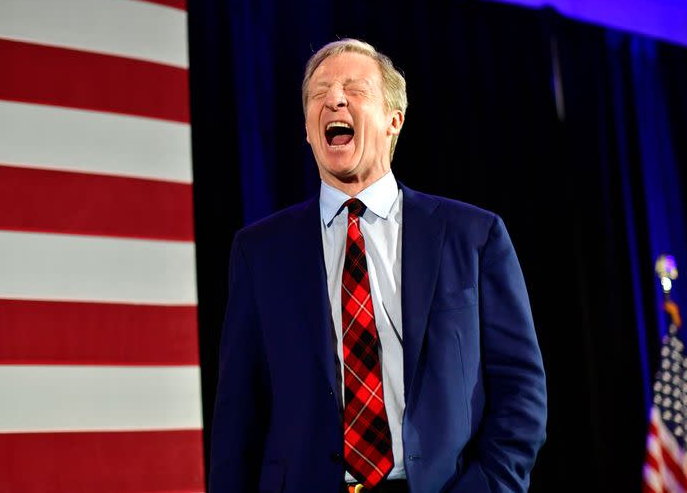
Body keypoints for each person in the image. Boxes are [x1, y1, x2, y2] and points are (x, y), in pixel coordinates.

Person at [209, 38, 547, 493]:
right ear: (309, 130)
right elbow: (238, 415)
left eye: (354, 88)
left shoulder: (474, 236)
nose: (334, 99)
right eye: (318, 93)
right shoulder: (259, 252)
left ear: (394, 121)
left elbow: (520, 389)